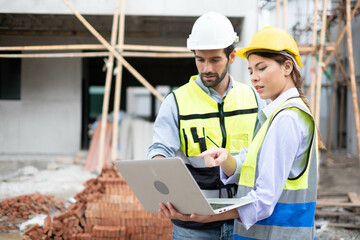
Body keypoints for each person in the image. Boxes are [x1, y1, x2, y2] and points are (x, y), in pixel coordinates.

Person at [159, 26, 324, 240]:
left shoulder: (286, 119)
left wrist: (210, 216)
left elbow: (263, 201)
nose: (254, 77)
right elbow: (255, 164)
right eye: (251, 71)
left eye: (262, 68)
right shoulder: (280, 115)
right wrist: (227, 159)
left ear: (287, 66)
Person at [148, 12, 264, 240]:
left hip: (242, 220)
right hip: (193, 225)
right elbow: (159, 149)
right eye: (200, 59)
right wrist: (161, 174)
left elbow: (263, 153)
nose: (206, 68)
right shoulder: (176, 101)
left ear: (231, 57)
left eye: (214, 60)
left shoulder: (253, 97)